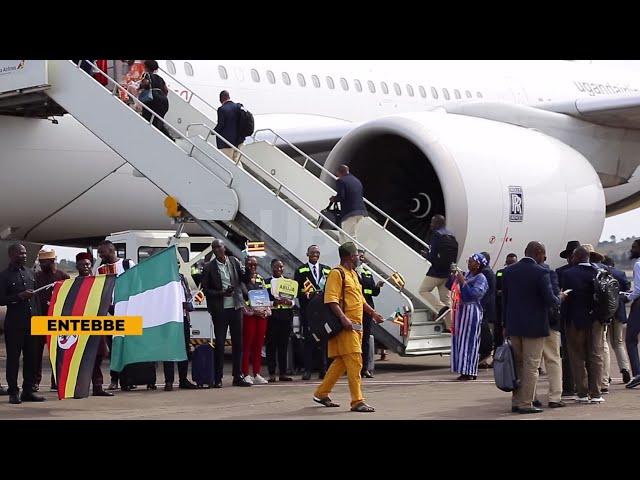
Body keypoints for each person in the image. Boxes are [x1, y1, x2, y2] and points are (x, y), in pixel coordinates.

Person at [312, 242, 385, 413]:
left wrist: (373, 313)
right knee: (355, 361)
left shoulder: (352, 274)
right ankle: (357, 401)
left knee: (341, 362)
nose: (359, 258)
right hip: (345, 327)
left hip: (356, 327)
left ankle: (321, 393)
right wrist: (344, 319)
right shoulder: (336, 274)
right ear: (348, 257)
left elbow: (360, 299)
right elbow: (331, 300)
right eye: (356, 255)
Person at [502, 241, 564, 414]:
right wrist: (561, 297)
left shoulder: (509, 271)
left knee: (518, 365)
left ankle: (516, 400)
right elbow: (550, 300)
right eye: (543, 255)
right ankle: (526, 403)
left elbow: (504, 300)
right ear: (538, 253)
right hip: (534, 327)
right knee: (531, 365)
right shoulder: (542, 272)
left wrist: (504, 324)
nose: (543, 259)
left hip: (514, 325)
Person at [201, 239, 251, 387]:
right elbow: (205, 289)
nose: (216, 250)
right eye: (214, 248)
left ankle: (238, 376)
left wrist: (247, 268)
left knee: (238, 343)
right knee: (221, 344)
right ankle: (218, 378)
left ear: (224, 248)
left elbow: (245, 280)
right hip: (220, 309)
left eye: (219, 247)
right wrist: (221, 293)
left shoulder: (234, 262)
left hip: (236, 307)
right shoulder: (209, 267)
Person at [0, 244, 46, 404]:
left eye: (25, 253)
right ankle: (13, 391)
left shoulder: (30, 273)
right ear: (12, 254)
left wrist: (39, 320)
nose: (25, 256)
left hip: (32, 323)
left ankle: (28, 390)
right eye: (21, 253)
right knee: (13, 359)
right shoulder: (4, 276)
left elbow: (36, 300)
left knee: (31, 359)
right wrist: (18, 296)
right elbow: (1, 299)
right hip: (15, 325)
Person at [561, 245, 606, 403]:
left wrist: (564, 319)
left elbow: (566, 300)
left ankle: (581, 392)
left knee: (577, 357)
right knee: (595, 356)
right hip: (596, 321)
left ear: (577, 257)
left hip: (575, 320)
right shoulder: (600, 273)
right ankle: (596, 393)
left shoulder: (568, 274)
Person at [96, 240, 136, 390]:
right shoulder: (100, 269)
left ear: (111, 250)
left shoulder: (127, 264)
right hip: (109, 316)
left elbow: (135, 285)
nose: (100, 255)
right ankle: (114, 379)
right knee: (113, 350)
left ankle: (128, 381)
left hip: (127, 314)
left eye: (102, 252)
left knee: (126, 347)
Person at [74, 252, 114, 397]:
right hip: (81, 326)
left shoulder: (98, 282)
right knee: (81, 358)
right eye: (82, 265)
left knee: (98, 357)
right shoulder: (73, 285)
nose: (85, 267)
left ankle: (98, 387)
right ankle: (79, 387)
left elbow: (105, 301)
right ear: (77, 266)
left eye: (88, 264)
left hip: (97, 325)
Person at [33, 248, 70, 392]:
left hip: (57, 321)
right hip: (40, 319)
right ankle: (35, 382)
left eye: (44, 262)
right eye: (40, 262)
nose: (41, 265)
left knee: (57, 353)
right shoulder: (36, 277)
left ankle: (56, 381)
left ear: (52, 261)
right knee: (36, 354)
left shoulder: (64, 277)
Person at [294, 245, 332, 380]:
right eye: (312, 252)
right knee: (309, 340)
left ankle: (323, 370)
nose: (315, 254)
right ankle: (307, 370)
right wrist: (307, 295)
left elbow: (332, 288)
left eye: (317, 253)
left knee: (324, 340)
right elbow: (296, 291)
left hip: (323, 311)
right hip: (308, 311)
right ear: (307, 254)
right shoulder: (300, 270)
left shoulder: (327, 270)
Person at [449, 253, 489, 381]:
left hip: (471, 311)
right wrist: (453, 277)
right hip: (461, 310)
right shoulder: (467, 275)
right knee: (460, 340)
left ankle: (469, 370)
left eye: (472, 261)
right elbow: (453, 288)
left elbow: (475, 294)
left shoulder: (481, 278)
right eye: (469, 261)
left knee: (469, 341)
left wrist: (462, 282)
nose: (469, 263)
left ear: (478, 265)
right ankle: (462, 369)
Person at [419, 214, 457, 330]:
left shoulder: (436, 235)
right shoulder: (451, 236)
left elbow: (433, 255)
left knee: (423, 290)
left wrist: (426, 255)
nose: (431, 225)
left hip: (436, 272)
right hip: (447, 273)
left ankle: (440, 308)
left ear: (438, 224)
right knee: (446, 299)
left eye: (433, 222)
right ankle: (450, 327)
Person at [163, 270, 198, 391]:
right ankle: (169, 381)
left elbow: (187, 295)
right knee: (169, 350)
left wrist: (189, 305)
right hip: (169, 319)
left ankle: (183, 379)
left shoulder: (182, 278)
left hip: (183, 318)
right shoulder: (163, 279)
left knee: (184, 349)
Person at [600, 255, 631, 388]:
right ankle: (625, 368)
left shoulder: (601, 273)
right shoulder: (621, 273)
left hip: (605, 312)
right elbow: (628, 293)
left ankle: (606, 374)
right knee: (618, 342)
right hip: (618, 311)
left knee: (604, 343)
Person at [555, 240, 580, 400]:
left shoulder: (561, 272)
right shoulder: (594, 270)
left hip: (569, 316)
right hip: (578, 318)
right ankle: (575, 387)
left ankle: (571, 387)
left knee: (569, 353)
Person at [240, 256, 270, 385]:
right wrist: (253, 310)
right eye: (250, 264)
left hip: (261, 316)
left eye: (255, 265)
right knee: (247, 344)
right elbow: (242, 297)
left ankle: (257, 373)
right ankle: (245, 373)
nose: (252, 267)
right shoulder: (241, 280)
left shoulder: (260, 278)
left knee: (259, 344)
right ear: (245, 265)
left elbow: (264, 294)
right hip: (249, 315)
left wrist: (264, 310)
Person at [265, 259, 294, 382]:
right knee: (271, 346)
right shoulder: (265, 282)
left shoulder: (288, 282)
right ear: (272, 267)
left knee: (283, 346)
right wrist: (273, 302)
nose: (279, 269)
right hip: (272, 316)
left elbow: (293, 301)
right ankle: (272, 373)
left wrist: (290, 302)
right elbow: (262, 300)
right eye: (277, 267)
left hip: (286, 316)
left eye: (281, 267)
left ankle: (283, 373)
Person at [356, 249, 383, 378]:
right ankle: (353, 367)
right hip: (354, 310)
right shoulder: (350, 272)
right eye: (359, 256)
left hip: (367, 310)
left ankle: (364, 368)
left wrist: (377, 287)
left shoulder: (367, 272)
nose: (361, 259)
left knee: (365, 339)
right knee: (354, 339)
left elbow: (373, 292)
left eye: (363, 257)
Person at [330, 165, 368, 244]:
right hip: (360, 211)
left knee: (349, 235)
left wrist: (334, 199)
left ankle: (354, 255)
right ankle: (344, 253)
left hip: (350, 212)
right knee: (343, 233)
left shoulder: (341, 181)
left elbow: (341, 196)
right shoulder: (356, 180)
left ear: (339, 172)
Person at [138, 59, 173, 140]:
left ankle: (150, 137)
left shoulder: (146, 74)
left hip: (153, 99)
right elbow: (166, 90)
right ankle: (169, 137)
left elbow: (146, 82)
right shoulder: (159, 78)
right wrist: (161, 96)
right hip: (163, 100)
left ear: (146, 67)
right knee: (159, 120)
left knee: (147, 117)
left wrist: (139, 87)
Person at [624, 240, 640, 388]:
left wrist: (627, 297)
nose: (632, 250)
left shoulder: (638, 264)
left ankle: (637, 373)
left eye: (634, 248)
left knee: (630, 339)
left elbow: (638, 290)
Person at [494, 253, 517, 350]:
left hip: (513, 307)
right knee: (498, 332)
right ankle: (497, 354)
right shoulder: (500, 272)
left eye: (512, 263)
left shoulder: (518, 274)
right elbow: (494, 286)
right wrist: (498, 292)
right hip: (500, 306)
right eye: (508, 263)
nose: (509, 265)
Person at [214, 90, 242, 162]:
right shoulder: (237, 107)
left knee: (227, 162)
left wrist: (213, 131)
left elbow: (221, 125)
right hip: (238, 141)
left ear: (221, 99)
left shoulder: (222, 109)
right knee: (236, 161)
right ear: (229, 97)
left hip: (226, 143)